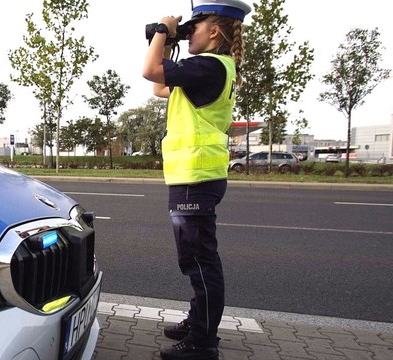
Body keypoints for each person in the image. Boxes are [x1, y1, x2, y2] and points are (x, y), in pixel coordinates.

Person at [141, 1, 250, 359]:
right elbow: (159, 85)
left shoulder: (209, 66)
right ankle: (198, 320)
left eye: (195, 27)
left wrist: (163, 30)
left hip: (197, 178)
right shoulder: (209, 69)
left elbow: (149, 70)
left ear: (214, 31)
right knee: (196, 258)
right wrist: (169, 41)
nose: (189, 33)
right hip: (196, 176)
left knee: (199, 260)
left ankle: (204, 343)